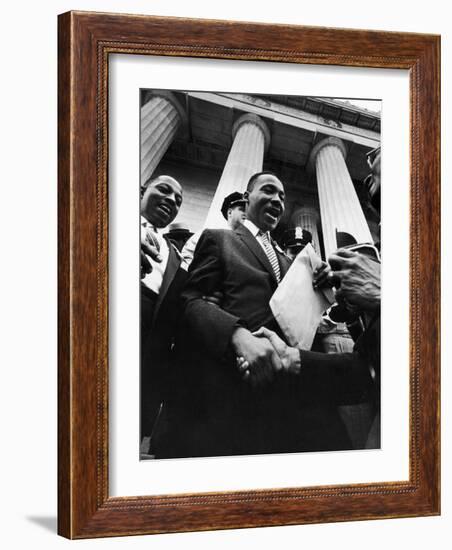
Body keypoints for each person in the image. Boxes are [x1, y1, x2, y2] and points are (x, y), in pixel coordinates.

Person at [159, 172, 357, 458]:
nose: (277, 200)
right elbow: (191, 302)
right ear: (247, 197)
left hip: (296, 396)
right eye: (268, 191)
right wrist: (236, 335)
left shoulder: (294, 262)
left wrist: (325, 284)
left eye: (282, 197)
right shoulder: (219, 239)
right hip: (236, 390)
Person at [139, 175, 187, 456]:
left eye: (178, 200)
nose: (171, 200)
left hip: (151, 346)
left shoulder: (176, 255)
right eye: (164, 190)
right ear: (143, 191)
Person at [181, 191, 247, 268]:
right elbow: (187, 257)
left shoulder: (247, 242)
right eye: (242, 209)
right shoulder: (208, 232)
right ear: (230, 212)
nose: (246, 214)